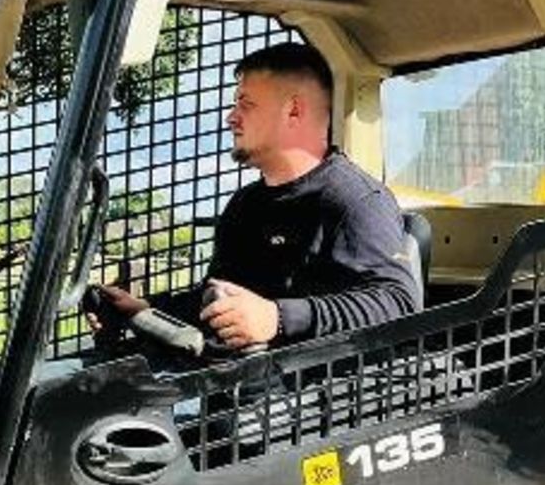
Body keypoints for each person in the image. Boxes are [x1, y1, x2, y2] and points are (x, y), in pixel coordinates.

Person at [97, 41, 420, 351]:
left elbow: (398, 303)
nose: (231, 117)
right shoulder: (245, 206)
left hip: (321, 391)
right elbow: (218, 300)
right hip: (241, 382)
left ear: (294, 110)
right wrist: (146, 310)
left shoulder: (355, 201)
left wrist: (278, 318)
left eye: (246, 104)